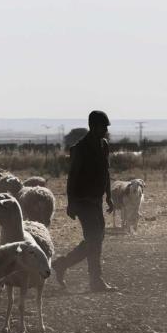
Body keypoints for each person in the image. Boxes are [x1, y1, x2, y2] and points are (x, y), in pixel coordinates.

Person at [52, 110, 115, 291]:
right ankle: (96, 280)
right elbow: (72, 177)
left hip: (96, 200)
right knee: (94, 238)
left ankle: (62, 264)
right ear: (93, 126)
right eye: (103, 127)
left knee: (97, 238)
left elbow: (106, 173)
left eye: (106, 127)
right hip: (82, 201)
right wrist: (71, 203)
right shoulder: (79, 148)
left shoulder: (104, 145)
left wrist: (109, 197)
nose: (105, 131)